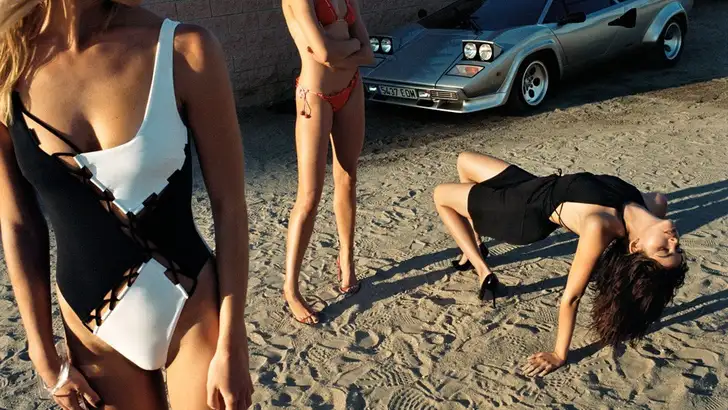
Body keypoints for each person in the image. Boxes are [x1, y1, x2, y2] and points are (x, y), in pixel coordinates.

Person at [0, 1, 253, 408]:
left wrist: (232, 341)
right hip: (91, 330)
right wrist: (40, 348)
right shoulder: (8, 68)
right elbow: (19, 224)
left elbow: (230, 207)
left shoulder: (183, 49)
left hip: (191, 310)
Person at [433, 151, 687, 377]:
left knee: (441, 195)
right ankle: (475, 241)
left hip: (522, 212)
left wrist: (559, 354)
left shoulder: (601, 224)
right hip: (534, 184)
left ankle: (480, 266)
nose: (673, 241)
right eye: (675, 248)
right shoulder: (655, 204)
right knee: (464, 161)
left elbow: (572, 297)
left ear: (636, 246)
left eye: (664, 250)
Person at [281, 0, 375, 325]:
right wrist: (350, 45)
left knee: (348, 177)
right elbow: (322, 53)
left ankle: (346, 260)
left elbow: (369, 53)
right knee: (309, 196)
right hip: (315, 96)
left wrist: (341, 50)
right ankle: (291, 289)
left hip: (351, 89)